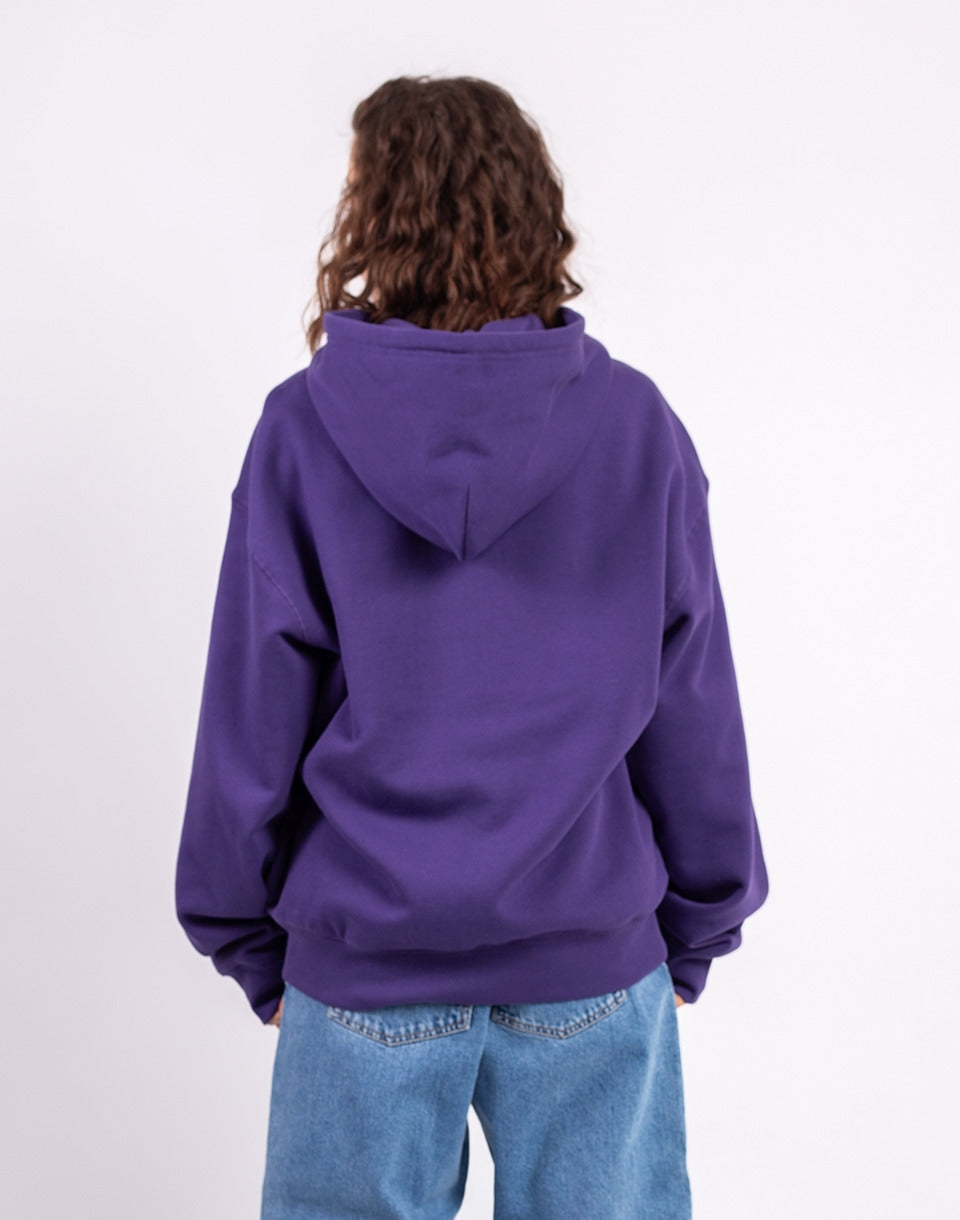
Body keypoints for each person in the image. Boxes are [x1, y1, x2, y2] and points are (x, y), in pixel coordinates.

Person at [174, 73, 770, 1220]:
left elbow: (252, 703)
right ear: (531, 210)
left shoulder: (302, 428)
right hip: (591, 956)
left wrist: (243, 931)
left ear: (374, 216)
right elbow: (691, 695)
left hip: (366, 963)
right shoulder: (635, 426)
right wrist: (701, 917)